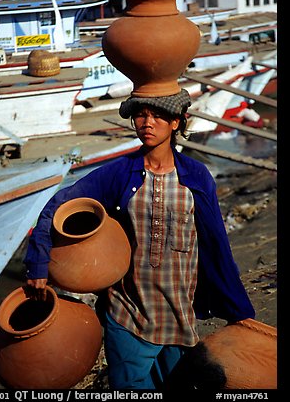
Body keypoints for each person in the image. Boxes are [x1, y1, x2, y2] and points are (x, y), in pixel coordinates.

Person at [24, 89, 255, 390]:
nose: (147, 122)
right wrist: (38, 264)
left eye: (158, 115)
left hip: (181, 316)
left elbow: (217, 247)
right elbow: (57, 208)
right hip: (127, 316)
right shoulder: (118, 174)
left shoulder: (196, 177)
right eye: (141, 114)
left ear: (176, 122)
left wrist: (240, 312)